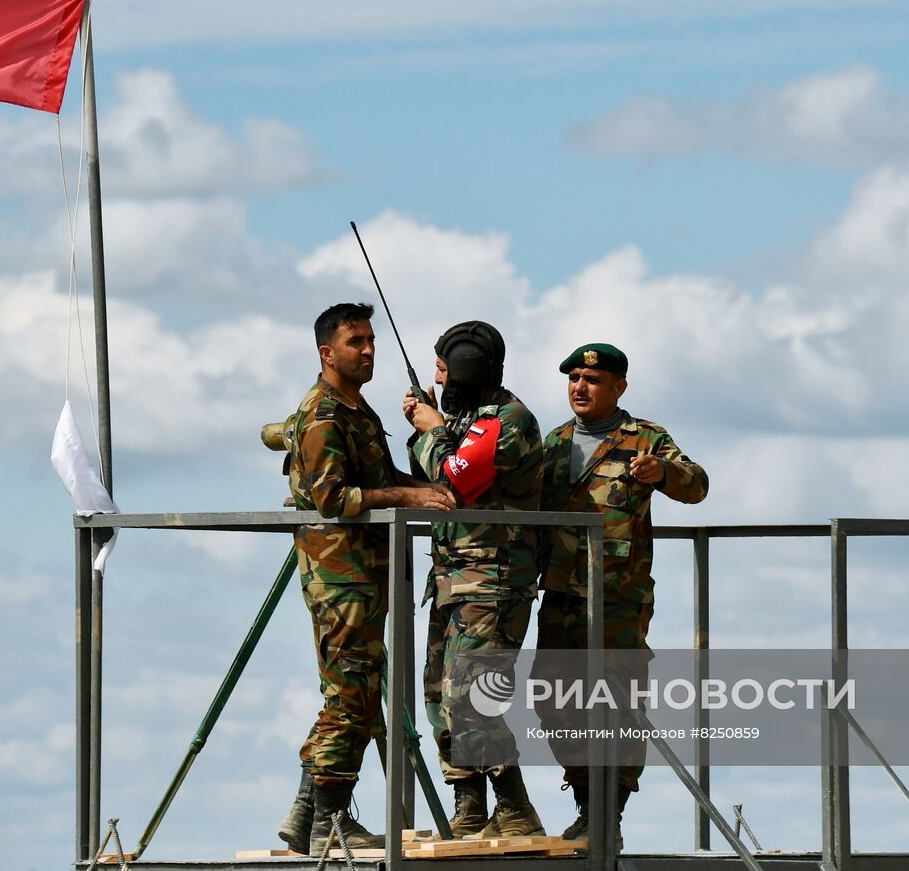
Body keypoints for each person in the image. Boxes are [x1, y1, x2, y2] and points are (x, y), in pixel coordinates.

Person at [277, 302, 456, 855]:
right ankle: (329, 819)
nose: (369, 350)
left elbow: (380, 479)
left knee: (354, 688)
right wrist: (408, 495)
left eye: (371, 340)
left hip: (364, 571)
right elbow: (333, 498)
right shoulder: (324, 414)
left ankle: (310, 814)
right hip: (340, 573)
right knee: (351, 693)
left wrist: (428, 480)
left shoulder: (358, 411)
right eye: (357, 342)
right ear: (327, 353)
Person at [533, 343, 708, 845]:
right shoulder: (554, 442)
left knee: (618, 704)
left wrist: (664, 474)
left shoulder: (645, 438)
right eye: (573, 378)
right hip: (563, 594)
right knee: (553, 700)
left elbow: (697, 485)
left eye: (592, 379)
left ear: (618, 387)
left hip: (618, 599)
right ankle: (588, 799)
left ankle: (611, 809)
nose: (579, 388)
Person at [402, 321, 546, 839]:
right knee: (440, 694)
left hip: (493, 579)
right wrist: (430, 429)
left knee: (472, 696)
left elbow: (453, 482)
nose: (437, 380)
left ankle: (514, 806)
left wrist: (429, 429)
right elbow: (422, 482)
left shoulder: (508, 421)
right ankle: (470, 804)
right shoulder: (463, 420)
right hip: (452, 579)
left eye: (442, 369)